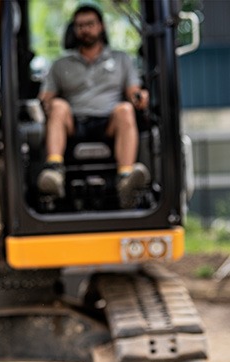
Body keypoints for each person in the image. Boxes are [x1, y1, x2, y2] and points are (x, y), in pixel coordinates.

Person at [37, 4, 150, 209]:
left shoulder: (121, 59)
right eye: (80, 26)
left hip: (108, 123)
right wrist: (46, 104)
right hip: (74, 123)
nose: (85, 29)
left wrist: (139, 97)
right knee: (59, 106)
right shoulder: (61, 65)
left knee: (125, 109)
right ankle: (54, 171)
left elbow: (133, 92)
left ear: (101, 27)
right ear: (74, 29)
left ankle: (126, 178)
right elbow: (46, 97)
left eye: (90, 24)